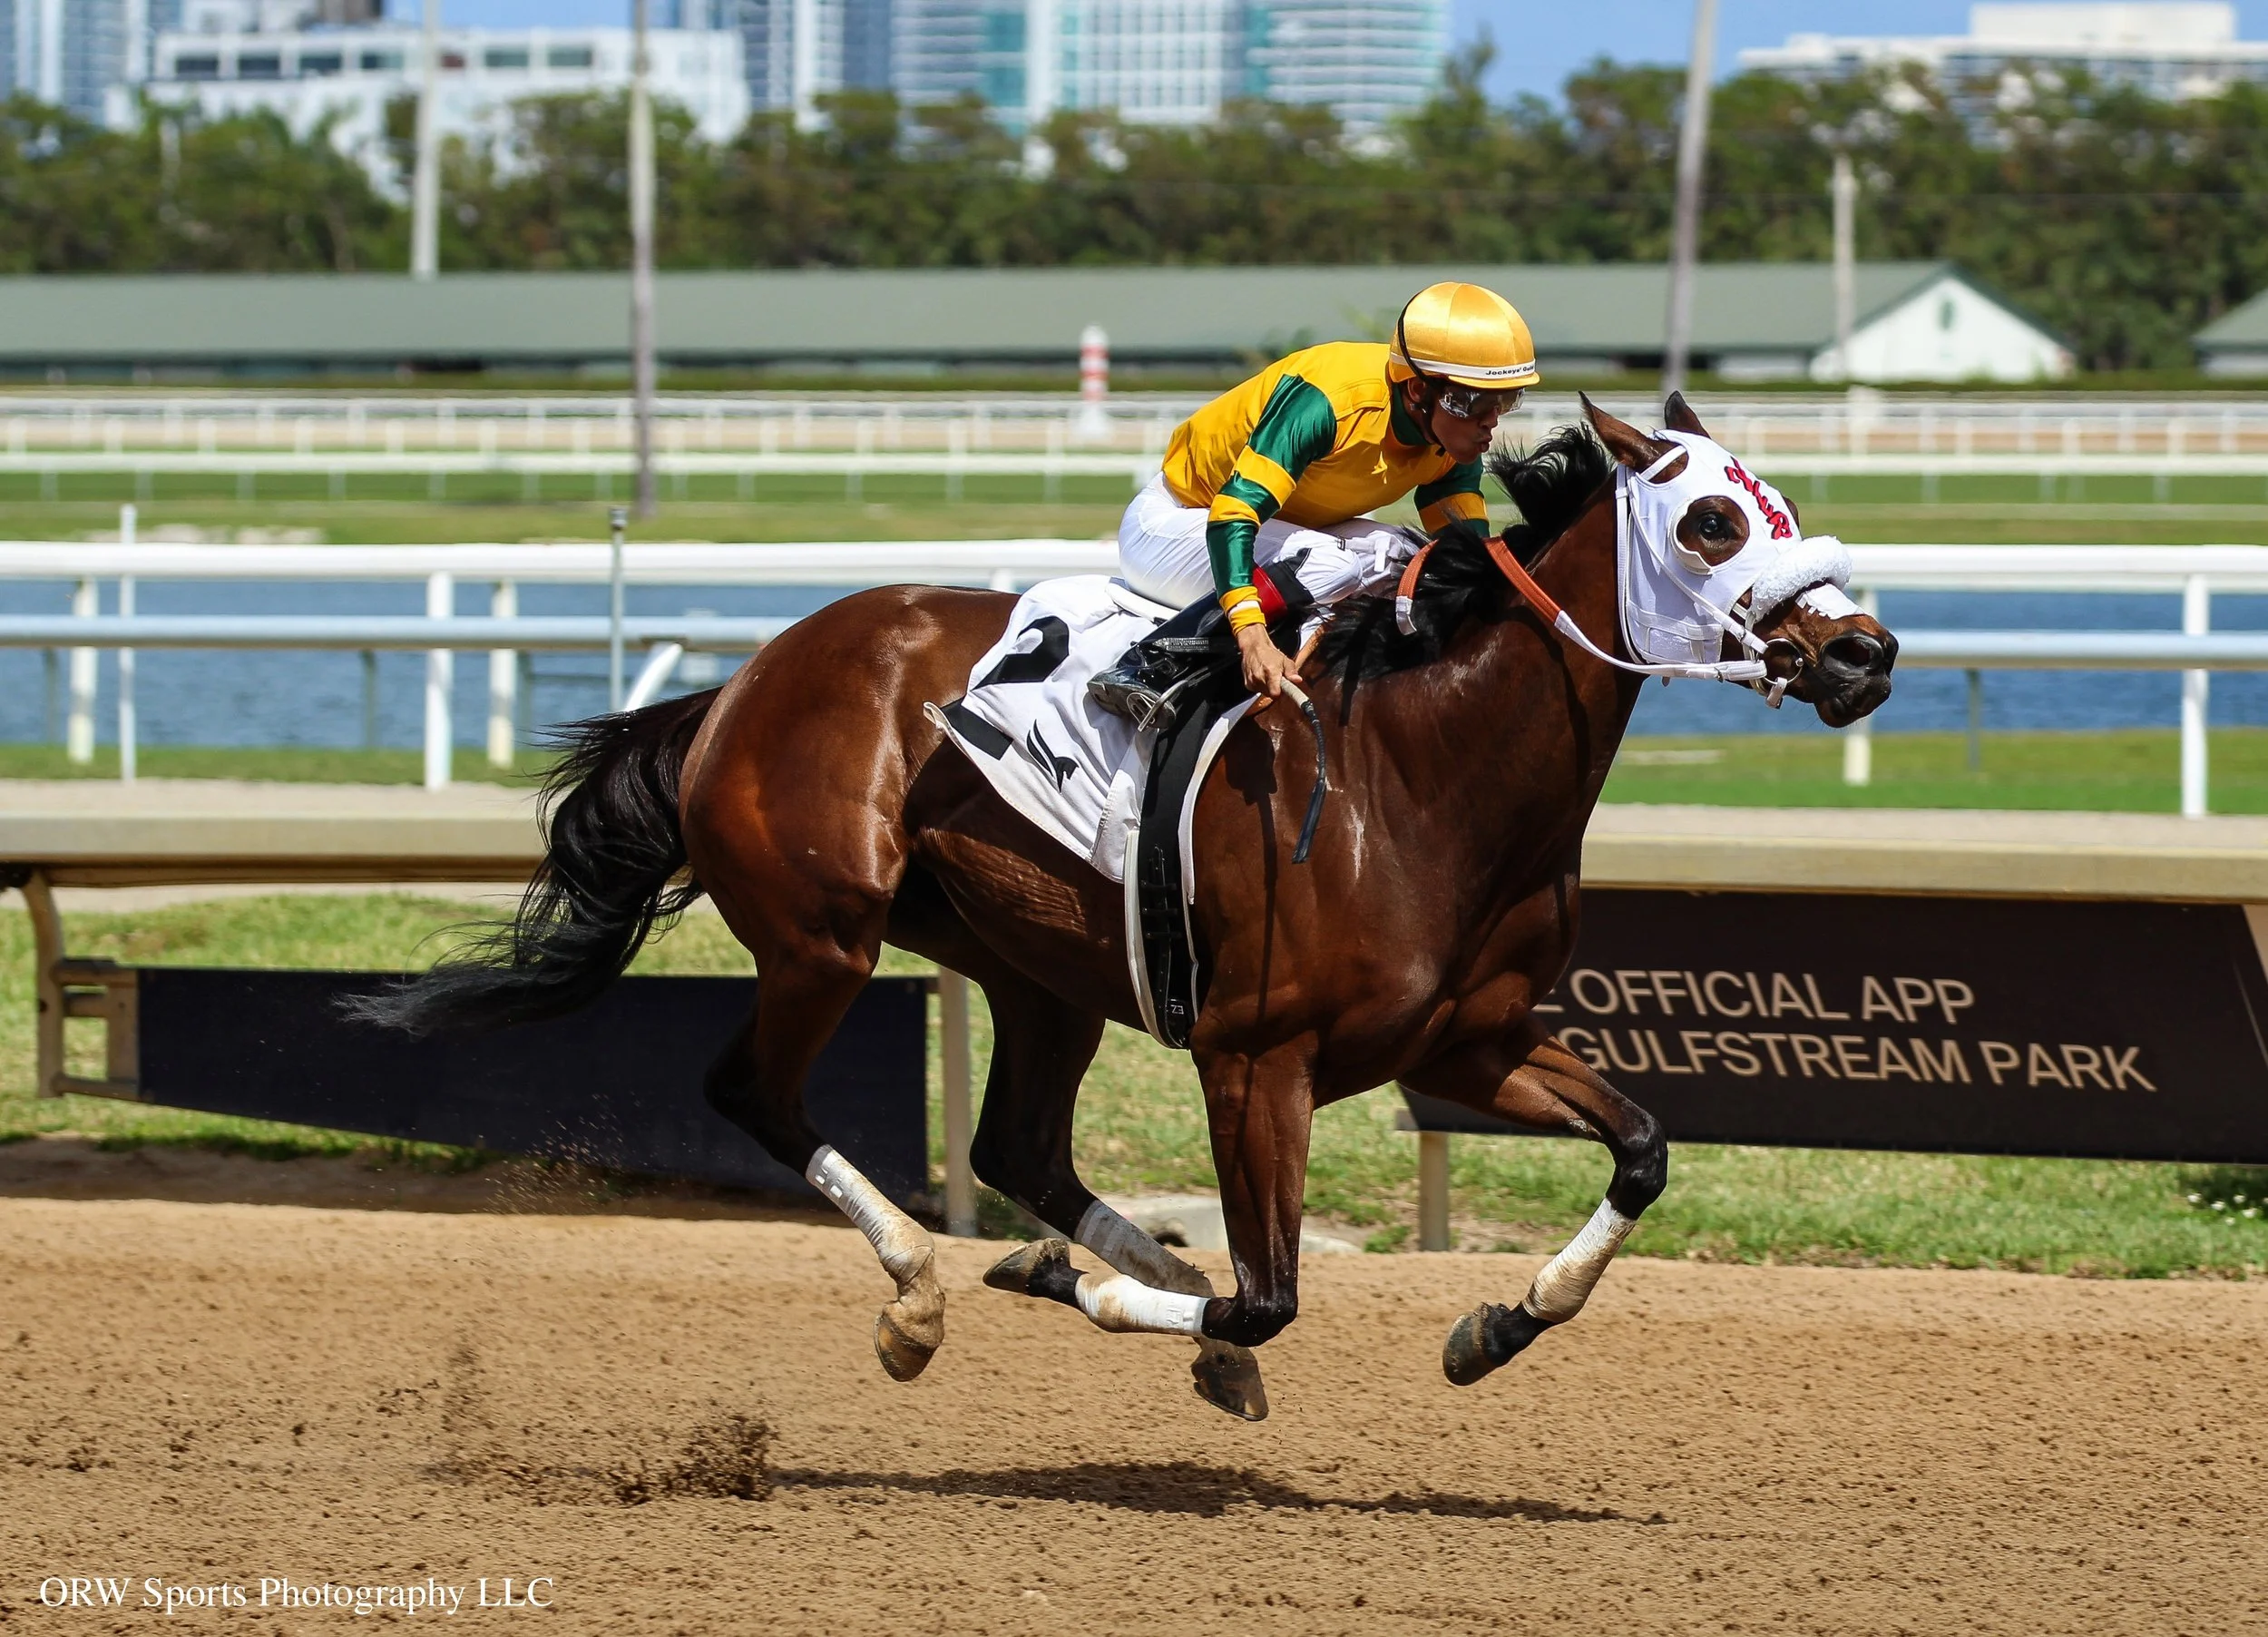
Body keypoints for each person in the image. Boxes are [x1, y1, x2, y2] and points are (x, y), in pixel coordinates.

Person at [1088, 280, 1540, 727]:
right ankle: (1149, 663)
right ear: (1418, 390)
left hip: (1277, 533)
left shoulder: (1447, 437)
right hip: (1179, 523)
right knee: (1330, 561)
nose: (1490, 421)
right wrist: (1249, 631)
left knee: (1408, 558)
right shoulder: (1327, 403)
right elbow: (1233, 515)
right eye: (1474, 401)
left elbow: (1460, 538)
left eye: (1505, 400)